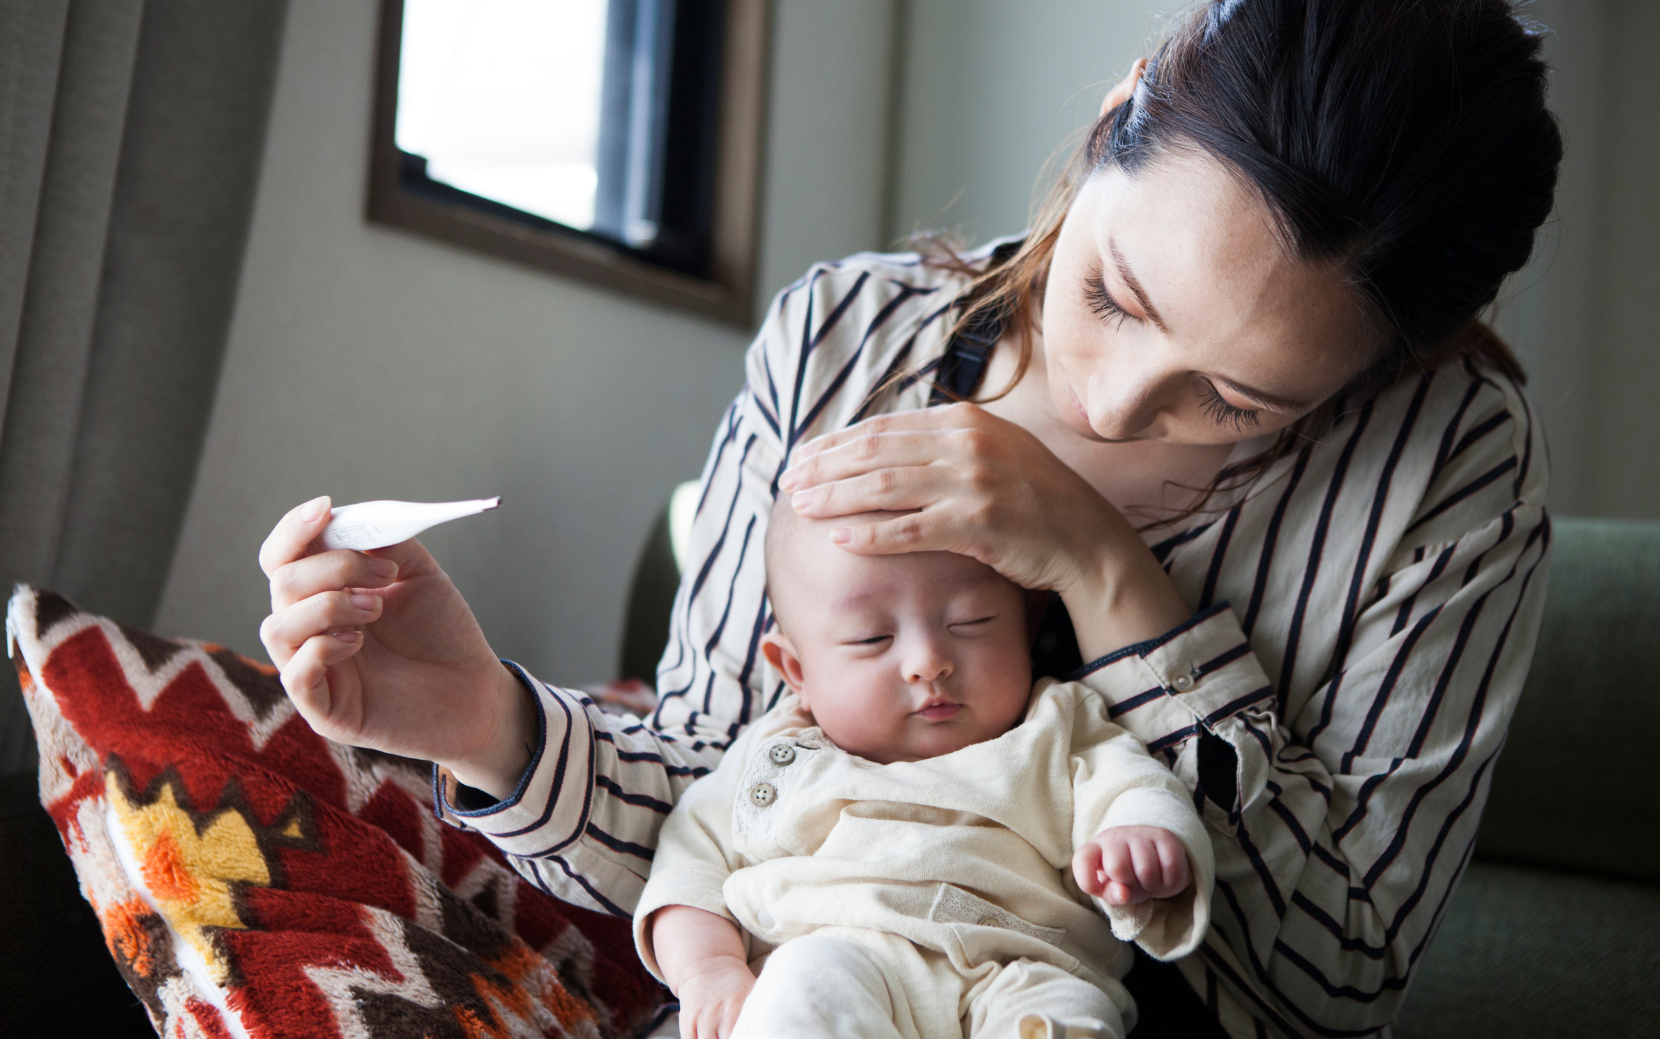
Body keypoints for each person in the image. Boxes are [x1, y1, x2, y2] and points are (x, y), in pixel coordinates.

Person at [257, 1, 1562, 1036]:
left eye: (1233, 399)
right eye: (1113, 294)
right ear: (1114, 120)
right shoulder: (844, 336)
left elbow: (1330, 986)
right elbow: (721, 791)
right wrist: (484, 717)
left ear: (1387, 368)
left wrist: (1104, 573)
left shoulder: (1450, 466)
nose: (1113, 406)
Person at [637, 502, 1214, 1039]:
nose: (928, 662)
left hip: (1022, 968)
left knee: (1073, 1018)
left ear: (1027, 623)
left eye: (970, 621)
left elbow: (1133, 786)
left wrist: (1138, 839)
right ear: (796, 669)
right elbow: (689, 863)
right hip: (840, 954)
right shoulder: (775, 754)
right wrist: (708, 969)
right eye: (872, 637)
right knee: (798, 989)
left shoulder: (1055, 727)